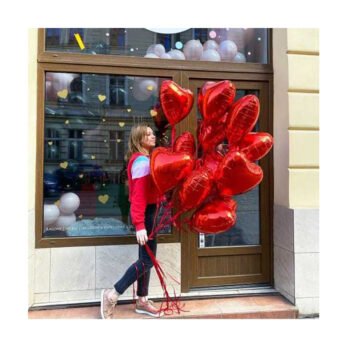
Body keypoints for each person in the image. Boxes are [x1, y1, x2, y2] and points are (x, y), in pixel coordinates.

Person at [100, 124, 163, 319]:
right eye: (148, 135)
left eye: (153, 133)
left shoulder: (144, 160)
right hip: (146, 214)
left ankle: (142, 300)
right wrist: (140, 224)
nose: (153, 136)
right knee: (146, 261)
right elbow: (138, 196)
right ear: (139, 140)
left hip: (149, 213)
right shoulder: (141, 162)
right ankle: (112, 294)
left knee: (147, 259)